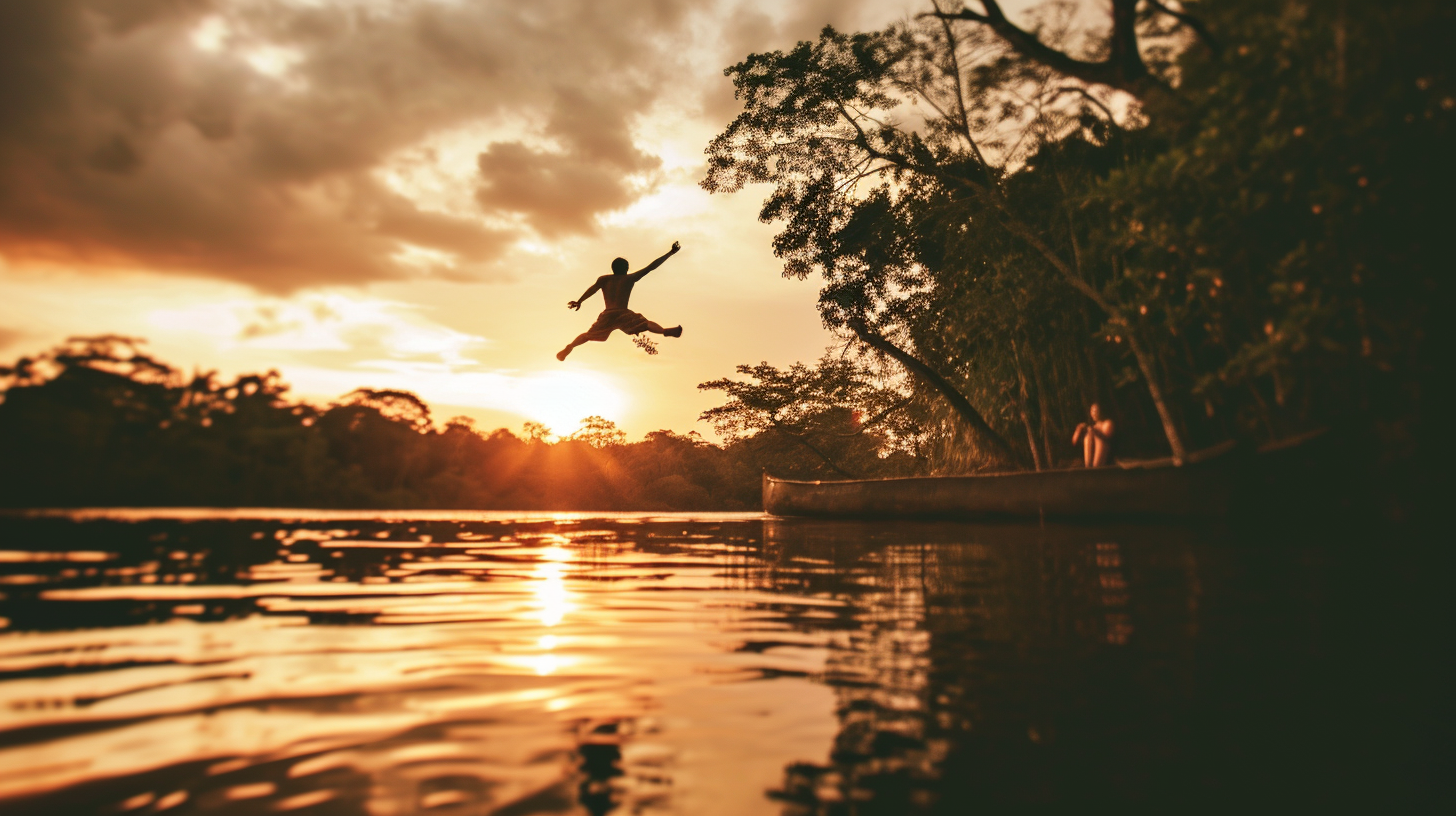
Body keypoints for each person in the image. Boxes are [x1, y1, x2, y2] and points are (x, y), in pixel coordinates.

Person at [557, 242, 683, 361]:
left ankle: (570, 347)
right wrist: (670, 253)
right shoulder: (629, 278)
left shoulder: (604, 279)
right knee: (646, 323)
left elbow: (593, 289)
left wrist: (580, 301)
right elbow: (650, 267)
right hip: (622, 313)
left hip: (608, 313)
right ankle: (664, 331)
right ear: (626, 268)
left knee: (588, 335)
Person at [1072, 403, 1115, 467]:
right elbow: (1074, 442)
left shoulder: (1107, 423)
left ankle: (1095, 467)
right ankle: (1089, 467)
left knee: (1096, 437)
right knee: (1088, 437)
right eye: (1092, 411)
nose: (1094, 413)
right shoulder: (1090, 427)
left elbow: (1108, 434)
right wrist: (1078, 429)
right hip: (1089, 458)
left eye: (1096, 410)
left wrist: (1093, 431)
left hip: (1105, 454)